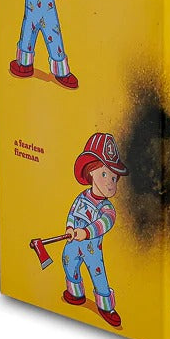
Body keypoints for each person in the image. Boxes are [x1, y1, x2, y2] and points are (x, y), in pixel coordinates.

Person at [62, 133, 128, 328]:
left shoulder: (107, 208)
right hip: (73, 244)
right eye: (105, 174)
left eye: (114, 178)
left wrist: (86, 232)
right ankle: (75, 293)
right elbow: (72, 213)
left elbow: (105, 223)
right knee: (68, 262)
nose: (110, 183)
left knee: (99, 277)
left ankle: (106, 307)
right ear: (91, 171)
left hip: (92, 250)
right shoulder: (82, 197)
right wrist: (70, 227)